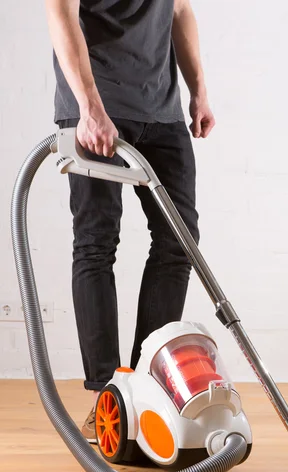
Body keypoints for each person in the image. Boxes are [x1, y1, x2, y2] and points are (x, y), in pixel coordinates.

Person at [45, 0, 215, 442]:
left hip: (161, 109)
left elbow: (179, 10)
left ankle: (144, 387)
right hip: (93, 112)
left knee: (179, 243)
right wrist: (88, 107)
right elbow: (60, 12)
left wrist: (198, 90)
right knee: (97, 243)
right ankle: (108, 395)